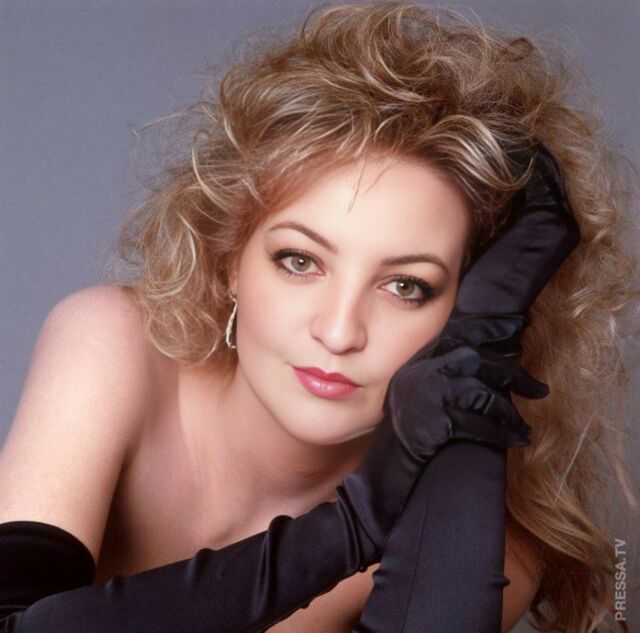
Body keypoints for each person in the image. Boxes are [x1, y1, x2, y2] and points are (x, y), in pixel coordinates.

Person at [0, 2, 637, 632]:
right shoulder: (116, 345)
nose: (337, 332)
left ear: (461, 315)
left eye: (406, 286)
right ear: (230, 261)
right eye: (300, 261)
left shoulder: (483, 546)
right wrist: (359, 520)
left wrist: (489, 337)